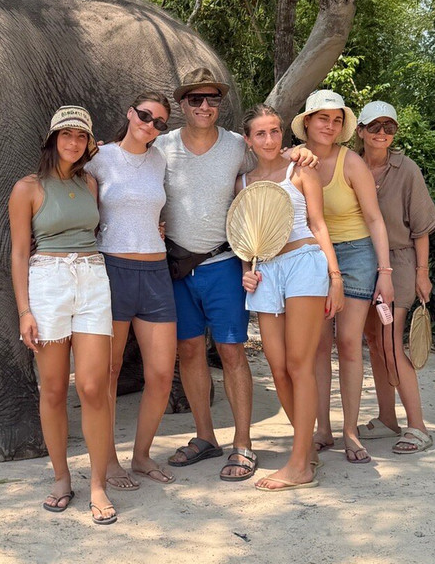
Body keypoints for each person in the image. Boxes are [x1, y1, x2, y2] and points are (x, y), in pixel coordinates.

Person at [159, 67, 316, 482]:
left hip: (225, 263)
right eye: (196, 99)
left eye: (213, 99)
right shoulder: (161, 147)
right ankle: (205, 437)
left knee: (230, 352)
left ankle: (243, 443)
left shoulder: (236, 147)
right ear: (183, 104)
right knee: (189, 352)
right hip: (177, 267)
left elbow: (272, 162)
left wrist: (300, 152)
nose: (205, 106)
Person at [7, 106, 117, 525]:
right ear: (52, 139)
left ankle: (98, 485)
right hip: (48, 282)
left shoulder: (90, 182)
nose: (73, 142)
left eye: (81, 136)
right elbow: (19, 252)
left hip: (92, 278)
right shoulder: (28, 188)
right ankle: (61, 477)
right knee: (52, 389)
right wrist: (24, 311)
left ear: (89, 143)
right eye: (65, 135)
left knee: (93, 386)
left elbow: (100, 229)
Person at [238, 104, 344, 491]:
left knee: (300, 364)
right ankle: (306, 448)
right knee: (278, 365)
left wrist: (335, 277)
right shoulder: (244, 182)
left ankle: (299, 463)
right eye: (260, 134)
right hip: (266, 270)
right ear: (248, 141)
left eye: (275, 131)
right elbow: (247, 237)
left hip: (304, 263)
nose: (270, 140)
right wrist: (246, 271)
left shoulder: (301, 170)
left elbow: (318, 224)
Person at [292, 90, 393, 465]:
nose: (330, 126)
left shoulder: (352, 163)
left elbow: (374, 219)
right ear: (306, 122)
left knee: (349, 344)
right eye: (323, 118)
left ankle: (350, 431)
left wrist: (385, 273)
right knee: (318, 347)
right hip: (311, 257)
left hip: (355, 255)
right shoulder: (294, 160)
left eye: (337, 120)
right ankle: (322, 429)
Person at [85, 93, 178, 490]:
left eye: (159, 123)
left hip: (156, 270)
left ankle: (141, 456)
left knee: (160, 374)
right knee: (109, 371)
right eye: (145, 116)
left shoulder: (159, 160)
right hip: (112, 269)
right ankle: (107, 462)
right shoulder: (99, 159)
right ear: (129, 114)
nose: (150, 125)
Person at [356, 101, 435, 454]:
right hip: (361, 263)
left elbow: (421, 228)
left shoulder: (407, 170)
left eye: (389, 127)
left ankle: (418, 426)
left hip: (399, 264)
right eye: (375, 126)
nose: (382, 134)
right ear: (359, 130)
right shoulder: (350, 165)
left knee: (391, 344)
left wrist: (423, 274)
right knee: (375, 343)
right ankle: (388, 418)